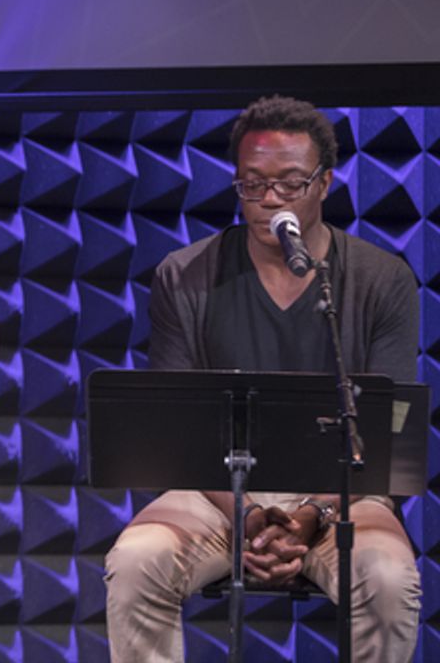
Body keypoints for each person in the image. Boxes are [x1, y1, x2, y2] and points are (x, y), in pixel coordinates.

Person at [104, 95, 421, 661]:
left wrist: (308, 517)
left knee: (389, 578)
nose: (270, 199)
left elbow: (386, 426)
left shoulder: (382, 279)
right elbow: (177, 430)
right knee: (136, 559)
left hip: (341, 493)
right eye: (253, 185)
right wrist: (247, 514)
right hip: (215, 491)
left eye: (290, 183)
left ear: (324, 183)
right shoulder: (185, 275)